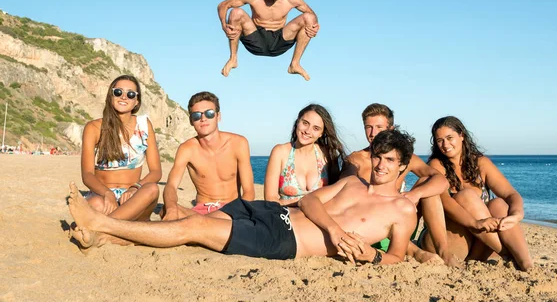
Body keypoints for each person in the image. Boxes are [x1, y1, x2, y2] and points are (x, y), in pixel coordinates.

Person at [68, 130, 427, 265]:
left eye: (389, 161)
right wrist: (334, 230)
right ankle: (106, 238)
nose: (379, 165)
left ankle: (100, 222)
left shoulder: (403, 209)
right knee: (190, 225)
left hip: (284, 240)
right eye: (377, 157)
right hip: (275, 214)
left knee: (195, 227)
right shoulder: (354, 184)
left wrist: (371, 257)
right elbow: (312, 200)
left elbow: (395, 256)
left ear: (404, 167)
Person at [341, 103, 456, 266]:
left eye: (379, 127)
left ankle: (443, 251)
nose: (373, 133)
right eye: (368, 127)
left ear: (391, 128)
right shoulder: (356, 160)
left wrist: (415, 194)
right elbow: (346, 195)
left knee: (426, 183)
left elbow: (442, 181)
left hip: (401, 225)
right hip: (370, 226)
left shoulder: (403, 157)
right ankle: (415, 251)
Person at [426, 116, 532, 271]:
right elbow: (446, 203)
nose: (445, 145)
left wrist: (517, 214)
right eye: (439, 140)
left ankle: (526, 263)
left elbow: (511, 194)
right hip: (448, 240)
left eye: (449, 138)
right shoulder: (436, 165)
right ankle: (509, 255)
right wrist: (474, 223)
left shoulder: (480, 163)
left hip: (480, 244)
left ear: (461, 135)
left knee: (498, 204)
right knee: (465, 196)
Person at [80, 75, 162, 223]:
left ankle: (104, 227)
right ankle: (116, 226)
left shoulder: (144, 125)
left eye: (130, 94)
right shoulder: (94, 128)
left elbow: (156, 172)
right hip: (102, 195)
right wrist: (107, 194)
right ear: (111, 95)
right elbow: (87, 174)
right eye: (118, 92)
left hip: (133, 196)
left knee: (152, 189)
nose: (124, 97)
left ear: (136, 101)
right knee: (97, 204)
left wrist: (135, 188)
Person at [162, 92, 255, 221]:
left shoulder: (238, 143)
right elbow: (171, 185)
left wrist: (239, 213)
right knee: (166, 210)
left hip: (232, 210)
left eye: (209, 113)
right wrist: (171, 209)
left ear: (218, 116)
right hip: (202, 210)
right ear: (191, 121)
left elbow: (249, 191)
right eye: (196, 115)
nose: (203, 118)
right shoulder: (187, 149)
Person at [217, 0, 320, 81]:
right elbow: (223, 5)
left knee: (309, 18)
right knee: (236, 12)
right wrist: (224, 26)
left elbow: (312, 15)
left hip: (280, 41)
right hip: (255, 39)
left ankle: (295, 64)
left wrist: (315, 26)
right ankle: (233, 59)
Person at [264, 104, 346, 206]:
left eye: (316, 128)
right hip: (286, 217)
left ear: (321, 133)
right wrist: (303, 203)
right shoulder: (280, 152)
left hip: (319, 217)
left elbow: (336, 195)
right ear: (298, 122)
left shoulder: (327, 154)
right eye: (305, 123)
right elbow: (270, 199)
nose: (308, 131)